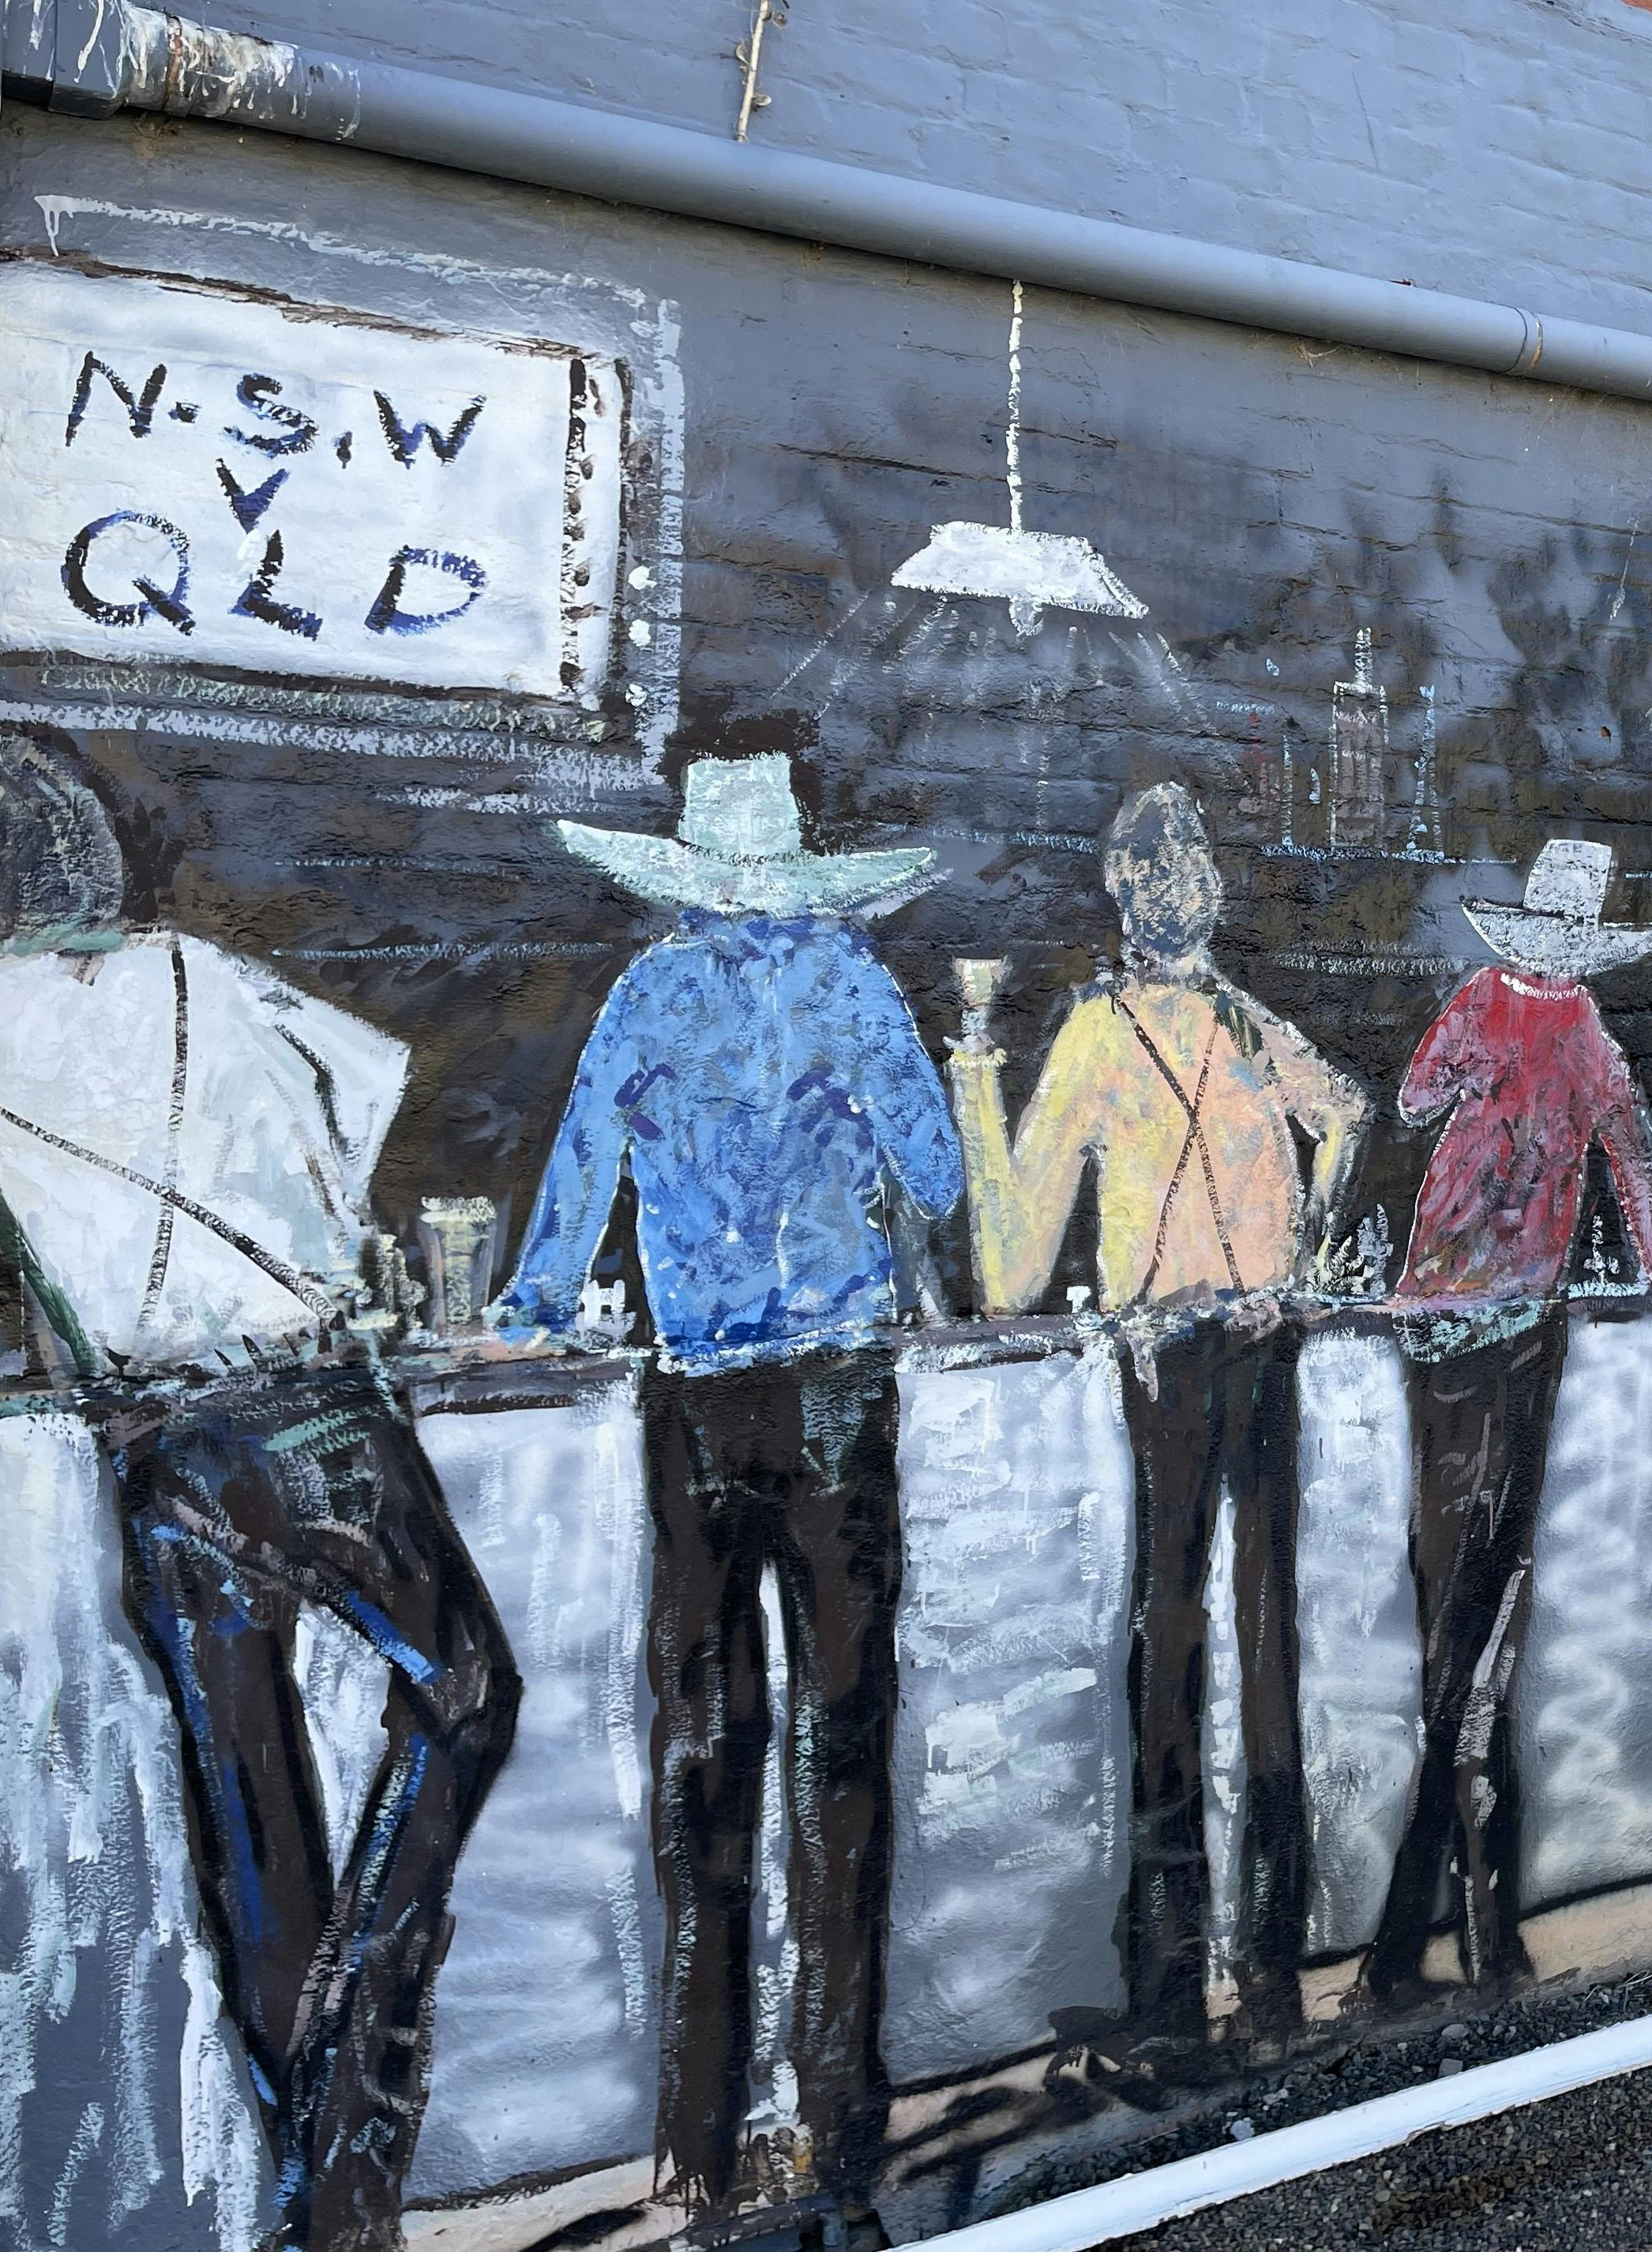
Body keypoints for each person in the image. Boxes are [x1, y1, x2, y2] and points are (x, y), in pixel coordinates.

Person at [0, 730, 519, 2252]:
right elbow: (355, 1123)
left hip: (150, 1445)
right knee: (470, 1695)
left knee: (251, 1818)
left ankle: (330, 2215)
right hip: (303, 1406)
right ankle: (369, 2034)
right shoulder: (205, 980)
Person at [495, 753, 961, 2239]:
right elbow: (942, 1179)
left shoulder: (648, 994)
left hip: (694, 1399)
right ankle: (838, 2125)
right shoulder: (860, 988)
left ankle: (694, 2147)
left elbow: (572, 1191)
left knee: (705, 1753)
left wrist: (531, 1303)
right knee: (843, 1756)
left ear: (694, 874)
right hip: (836, 1391)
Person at [947, 781, 1369, 2080]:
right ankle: (1272, 1977)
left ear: (1130, 895)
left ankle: (1179, 1993)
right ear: (1168, 892)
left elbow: (1010, 1271)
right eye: (1171, 863)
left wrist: (971, 1069)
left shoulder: (1094, 1034)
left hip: (1177, 1359)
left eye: (1167, 863)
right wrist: (1299, 1250)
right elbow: (1346, 1112)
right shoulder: (1240, 1020)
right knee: (1261, 1653)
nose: (1174, 883)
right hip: (1259, 1344)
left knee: (1175, 1661)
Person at [1365, 838, 1652, 2013]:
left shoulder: (1476, 1003)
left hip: (1445, 1313)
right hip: (1524, 1325)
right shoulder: (1592, 1037)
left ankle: (1424, 1912)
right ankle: (1469, 1910)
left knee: (1450, 1579)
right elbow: (1639, 1167)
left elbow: (1410, 1098)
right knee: (1496, 1587)